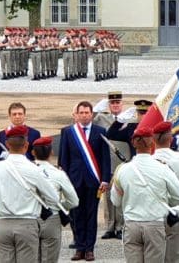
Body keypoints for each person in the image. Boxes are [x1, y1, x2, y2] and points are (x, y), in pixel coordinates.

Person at [0, 125, 60, 263]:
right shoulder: (35, 170)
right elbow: (54, 198)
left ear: (7, 144)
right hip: (27, 224)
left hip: (3, 225)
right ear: (27, 145)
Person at [111, 126, 179, 263]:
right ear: (152, 142)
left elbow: (115, 201)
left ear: (133, 143)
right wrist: (165, 201)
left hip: (132, 224)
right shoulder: (162, 168)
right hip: (154, 224)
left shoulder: (122, 170)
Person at [58, 101, 111, 261]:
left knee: (91, 214)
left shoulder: (100, 131)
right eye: (81, 112)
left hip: (93, 181)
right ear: (76, 115)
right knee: (76, 214)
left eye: (87, 112)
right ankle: (79, 247)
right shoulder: (68, 132)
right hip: (74, 180)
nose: (84, 115)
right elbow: (63, 158)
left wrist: (105, 179)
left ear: (92, 114)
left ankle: (89, 248)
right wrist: (63, 181)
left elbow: (105, 159)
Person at [32, 136, 79, 263]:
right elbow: (74, 201)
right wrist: (59, 205)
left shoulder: (26, 171)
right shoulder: (58, 173)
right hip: (52, 217)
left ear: (33, 152)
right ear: (51, 152)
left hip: (29, 217)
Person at [92, 91, 130, 240]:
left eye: (118, 103)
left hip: (123, 162)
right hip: (107, 162)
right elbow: (88, 123)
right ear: (109, 105)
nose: (115, 105)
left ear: (122, 104)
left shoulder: (128, 119)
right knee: (107, 197)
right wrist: (96, 110)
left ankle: (120, 227)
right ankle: (109, 226)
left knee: (121, 196)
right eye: (112, 103)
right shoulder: (102, 118)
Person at [152, 121, 179, 263]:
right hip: (174, 213)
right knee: (173, 257)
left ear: (154, 140)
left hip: (154, 214)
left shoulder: (150, 161)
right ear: (171, 139)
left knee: (153, 256)